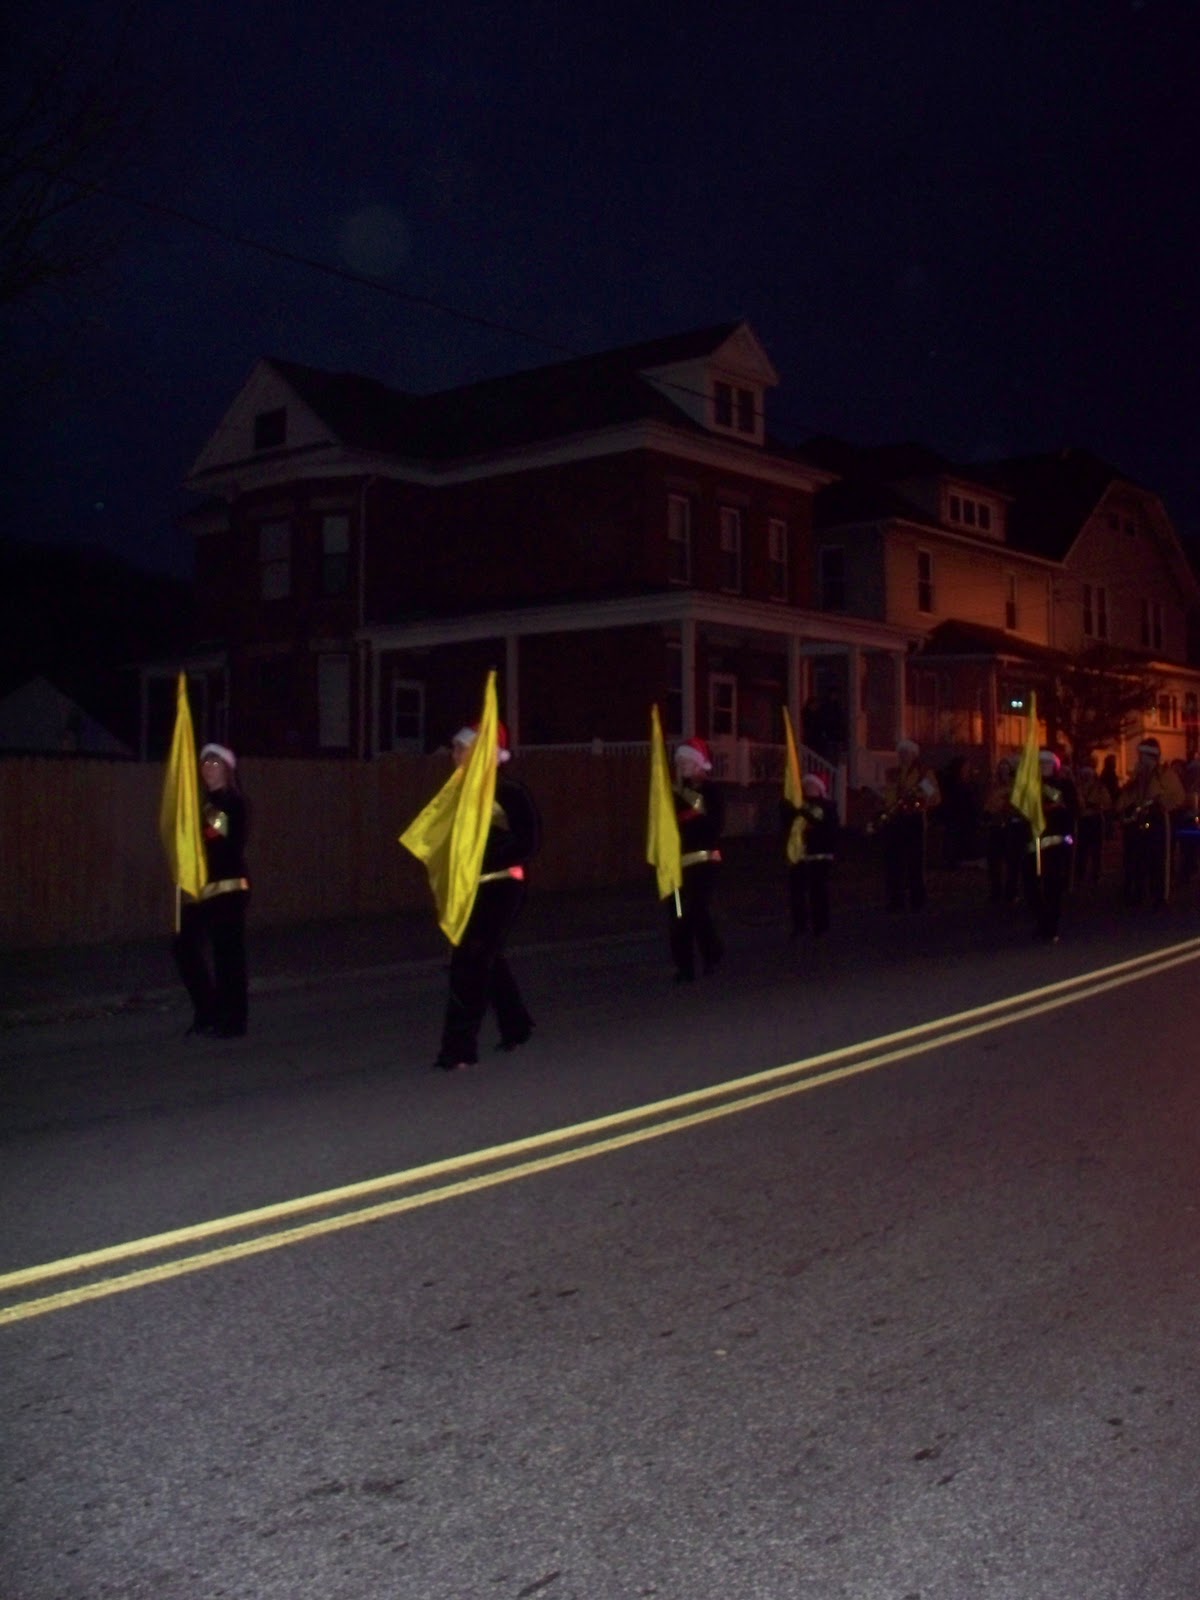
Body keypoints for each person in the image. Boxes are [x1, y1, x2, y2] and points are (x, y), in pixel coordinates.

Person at [434, 721, 540, 1071]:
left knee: (470, 960)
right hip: (470, 888)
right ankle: (517, 1025)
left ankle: (459, 1049)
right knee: (486, 958)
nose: (455, 755)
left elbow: (529, 842)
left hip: (503, 885)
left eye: (461, 748)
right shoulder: (457, 795)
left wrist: (486, 853)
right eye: (454, 749)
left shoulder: (509, 792)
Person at [174, 742, 251, 1037]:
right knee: (183, 947)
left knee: (227, 955)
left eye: (215, 764)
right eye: (204, 764)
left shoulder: (234, 802)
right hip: (203, 889)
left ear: (227, 770)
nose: (208, 769)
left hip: (229, 889)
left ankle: (234, 1020)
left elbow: (230, 838)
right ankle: (208, 1010)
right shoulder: (206, 804)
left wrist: (203, 812)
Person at [669, 736, 725, 981]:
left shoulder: (710, 791)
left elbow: (714, 824)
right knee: (679, 914)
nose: (680, 764)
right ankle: (685, 966)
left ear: (698, 763)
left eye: (685, 760)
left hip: (704, 862)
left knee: (699, 910)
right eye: (678, 761)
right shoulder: (673, 795)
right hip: (678, 866)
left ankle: (712, 955)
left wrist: (684, 792)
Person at [1116, 736, 1185, 907]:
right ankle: (1138, 893)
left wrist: (1159, 801)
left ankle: (1160, 896)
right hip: (1140, 820)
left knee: (1160, 859)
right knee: (1139, 858)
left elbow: (1178, 797)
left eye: (1142, 755)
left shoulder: (1166, 774)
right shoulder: (1138, 777)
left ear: (1149, 756)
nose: (1139, 758)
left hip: (1160, 820)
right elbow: (1126, 798)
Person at [877, 738, 940, 911]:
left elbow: (934, 797)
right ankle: (895, 900)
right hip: (895, 819)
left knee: (915, 861)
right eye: (901, 753)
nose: (903, 756)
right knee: (894, 861)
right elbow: (887, 796)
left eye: (907, 753)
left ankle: (917, 899)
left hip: (914, 819)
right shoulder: (893, 773)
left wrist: (919, 801)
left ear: (914, 754)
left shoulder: (923, 774)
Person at [1022, 749, 1077, 942]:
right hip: (1034, 843)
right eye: (1041, 764)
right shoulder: (1031, 787)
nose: (1044, 767)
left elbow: (1072, 809)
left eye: (1047, 764)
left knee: (1052, 887)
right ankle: (1041, 921)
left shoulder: (1064, 786)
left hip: (1055, 844)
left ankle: (1051, 927)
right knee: (1030, 886)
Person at [781, 772, 837, 937]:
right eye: (805, 786)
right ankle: (800, 926)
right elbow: (787, 822)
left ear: (819, 788)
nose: (808, 788)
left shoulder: (827, 806)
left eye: (811, 785)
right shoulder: (799, 806)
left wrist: (801, 806)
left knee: (817, 892)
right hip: (799, 854)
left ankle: (820, 926)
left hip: (819, 855)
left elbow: (817, 817)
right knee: (797, 892)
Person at [982, 757, 1023, 904]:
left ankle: (1011, 891)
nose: (1003, 771)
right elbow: (987, 805)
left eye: (1006, 768)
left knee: (1013, 861)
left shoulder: (1017, 786)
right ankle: (996, 891)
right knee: (994, 861)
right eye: (1001, 768)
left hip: (1012, 825)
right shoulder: (993, 786)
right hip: (996, 825)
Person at [1072, 752, 1111, 886]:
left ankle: (1096, 874)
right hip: (1083, 820)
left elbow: (1106, 803)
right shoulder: (1078, 787)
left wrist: (1094, 805)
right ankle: (1080, 873)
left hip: (1095, 820)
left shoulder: (1099, 787)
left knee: (1096, 850)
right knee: (1081, 849)